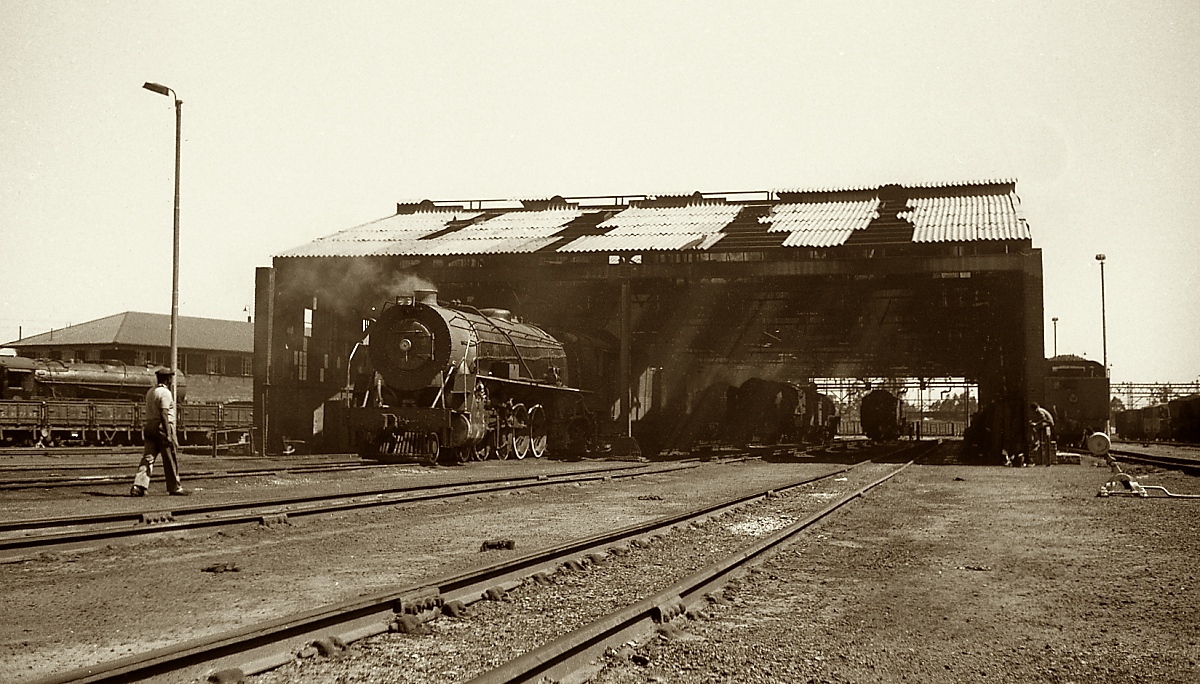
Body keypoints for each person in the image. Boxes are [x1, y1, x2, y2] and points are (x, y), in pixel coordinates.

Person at [130, 368, 189, 496]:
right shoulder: (165, 393)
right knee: (169, 458)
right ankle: (175, 487)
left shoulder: (150, 392)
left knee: (148, 458)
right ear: (168, 379)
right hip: (162, 427)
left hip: (150, 426)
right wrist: (169, 434)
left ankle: (138, 486)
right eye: (171, 378)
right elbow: (164, 413)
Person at [1029, 402, 1055, 467]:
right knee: (1035, 427)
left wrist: (1036, 424)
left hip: (1048, 423)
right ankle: (1036, 439)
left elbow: (1043, 418)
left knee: (1034, 428)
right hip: (1047, 423)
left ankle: (1036, 439)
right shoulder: (1041, 410)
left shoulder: (1039, 410)